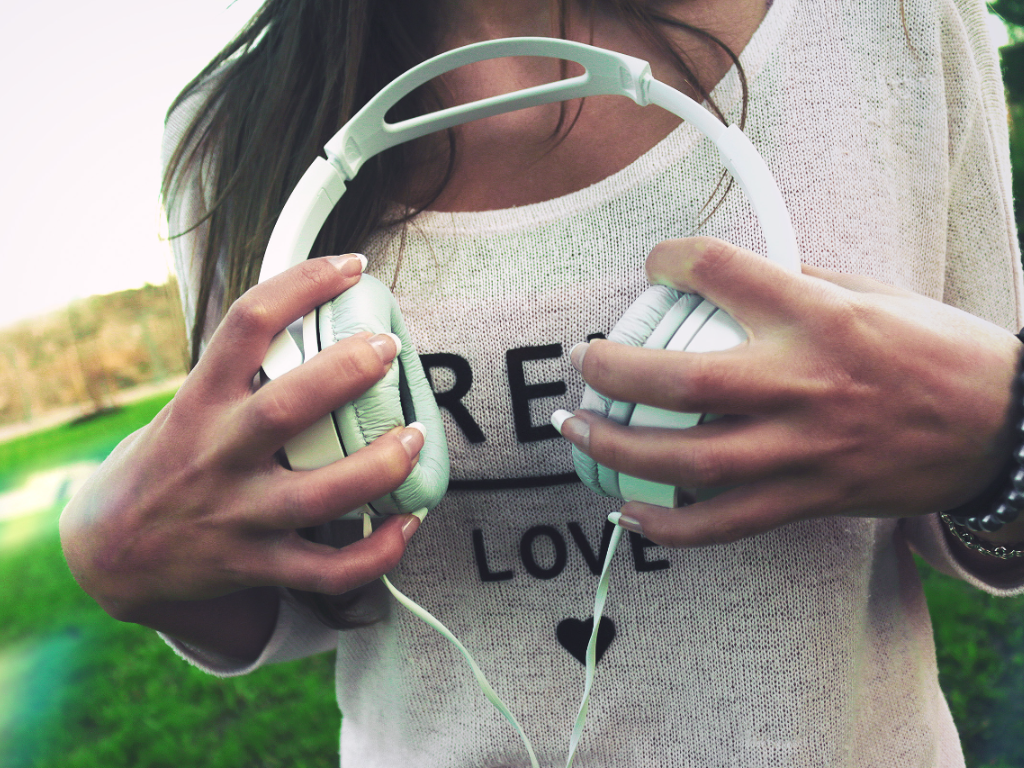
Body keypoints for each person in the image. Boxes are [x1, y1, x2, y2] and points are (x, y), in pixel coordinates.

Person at [59, 0, 1024, 764]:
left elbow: (983, 518)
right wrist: (135, 562)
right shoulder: (227, 135)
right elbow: (306, 573)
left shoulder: (887, 23)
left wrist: (1002, 435)